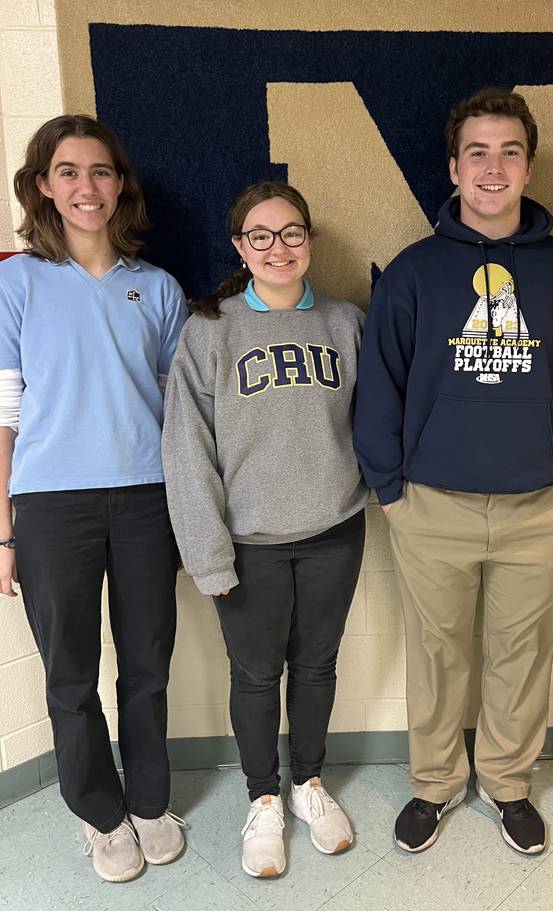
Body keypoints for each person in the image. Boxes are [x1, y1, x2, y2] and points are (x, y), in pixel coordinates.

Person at [354, 88, 553, 855]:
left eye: (509, 152)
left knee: (522, 654)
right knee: (438, 655)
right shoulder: (413, 272)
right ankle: (434, 784)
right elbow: (379, 390)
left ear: (529, 167)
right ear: (453, 167)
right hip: (432, 505)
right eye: (477, 152)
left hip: (543, 506)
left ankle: (507, 782)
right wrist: (392, 493)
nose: (493, 168)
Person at [0, 115, 188, 882]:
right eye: (69, 171)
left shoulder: (160, 288)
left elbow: (183, 417)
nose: (87, 186)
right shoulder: (16, 281)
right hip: (50, 505)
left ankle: (148, 801)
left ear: (120, 186)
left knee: (146, 665)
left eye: (101, 171)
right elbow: (4, 413)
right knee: (69, 674)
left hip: (147, 499)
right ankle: (100, 814)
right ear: (43, 184)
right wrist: (5, 531)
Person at [162, 181, 367, 879]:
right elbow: (186, 450)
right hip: (248, 544)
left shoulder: (345, 322)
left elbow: (374, 423)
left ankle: (309, 784)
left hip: (334, 530)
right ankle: (263, 798)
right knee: (256, 675)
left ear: (309, 240)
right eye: (261, 235)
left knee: (317, 666)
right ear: (239, 246)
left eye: (291, 233)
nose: (278, 247)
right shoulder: (210, 329)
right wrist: (208, 556)